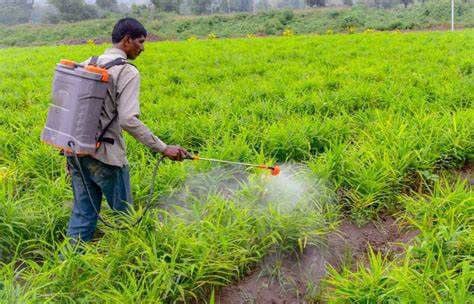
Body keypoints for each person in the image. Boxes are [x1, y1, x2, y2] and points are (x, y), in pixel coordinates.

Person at [65, 17, 189, 242]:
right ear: (126, 40)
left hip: (76, 152)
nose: (143, 47)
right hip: (107, 158)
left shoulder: (86, 62)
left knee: (83, 215)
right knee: (126, 218)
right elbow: (128, 120)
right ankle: (135, 263)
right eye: (140, 42)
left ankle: (69, 265)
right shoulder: (127, 71)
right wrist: (163, 148)